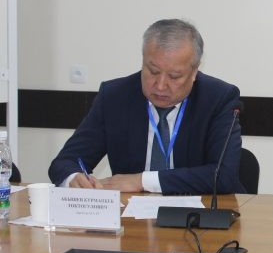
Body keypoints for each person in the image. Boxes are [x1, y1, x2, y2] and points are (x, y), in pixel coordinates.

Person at [48, 19, 244, 194]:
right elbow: (64, 162)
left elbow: (223, 175)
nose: (160, 85)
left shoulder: (218, 99)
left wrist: (141, 181)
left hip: (198, 214)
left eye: (174, 76)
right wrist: (73, 178)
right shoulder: (115, 97)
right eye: (153, 71)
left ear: (194, 72)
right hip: (130, 215)